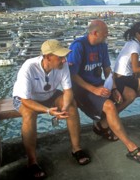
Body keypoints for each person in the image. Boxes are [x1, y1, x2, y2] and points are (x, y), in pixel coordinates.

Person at [67, 19, 140, 165]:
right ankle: (131, 147)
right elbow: (73, 75)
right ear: (95, 33)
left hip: (99, 84)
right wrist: (94, 90)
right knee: (109, 106)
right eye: (105, 33)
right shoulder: (79, 46)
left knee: (129, 95)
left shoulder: (102, 46)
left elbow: (107, 70)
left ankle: (102, 124)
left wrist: (114, 88)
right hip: (82, 89)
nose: (108, 35)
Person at [12, 39, 90, 179]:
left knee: (72, 106)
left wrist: (64, 107)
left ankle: (76, 149)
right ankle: (32, 161)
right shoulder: (28, 67)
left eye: (64, 57)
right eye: (60, 57)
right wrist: (48, 111)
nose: (64, 60)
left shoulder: (62, 65)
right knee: (29, 115)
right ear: (48, 57)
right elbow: (25, 100)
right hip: (28, 98)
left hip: (50, 94)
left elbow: (68, 90)